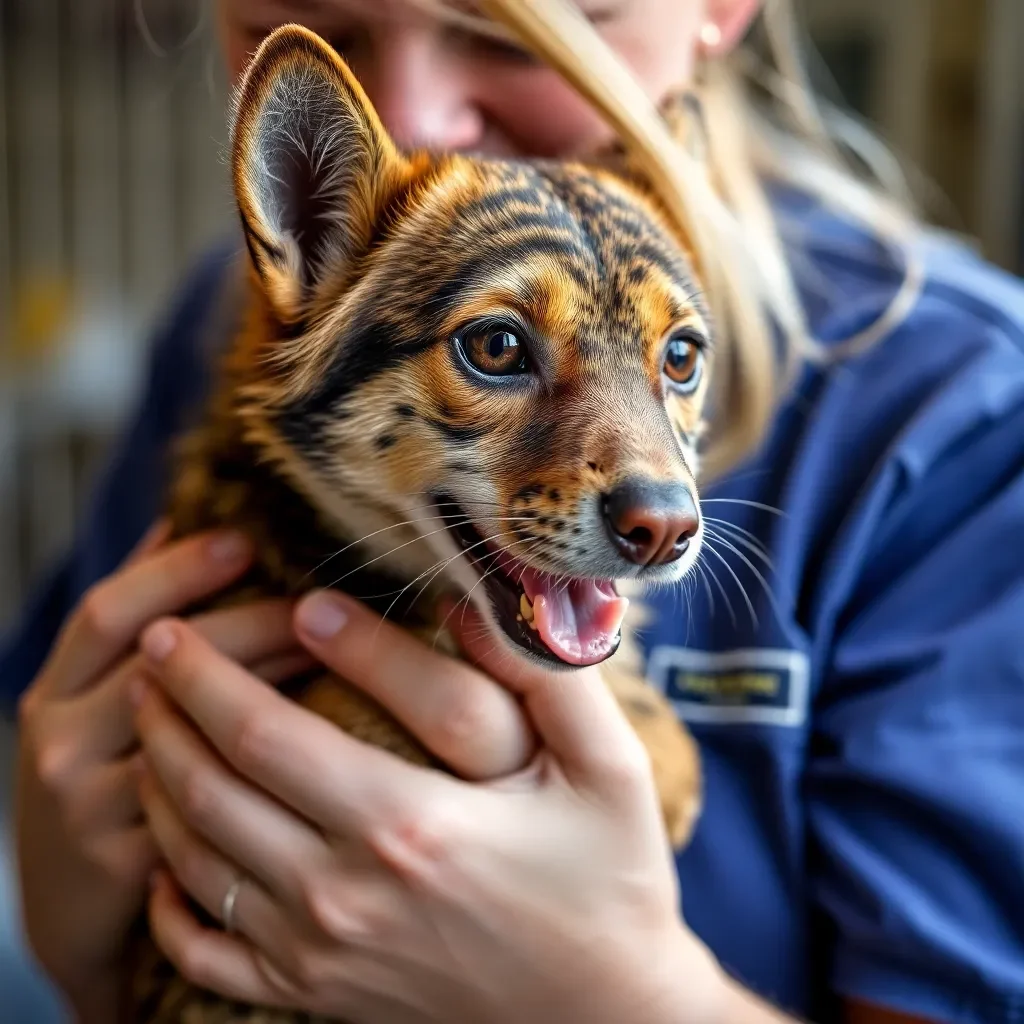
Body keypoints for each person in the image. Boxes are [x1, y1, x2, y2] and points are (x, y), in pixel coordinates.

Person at [2, 0, 1023, 1021]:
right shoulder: (230, 327)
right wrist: (71, 921)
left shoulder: (967, 419)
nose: (408, 120)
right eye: (495, 349)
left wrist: (610, 990)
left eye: (509, 33)